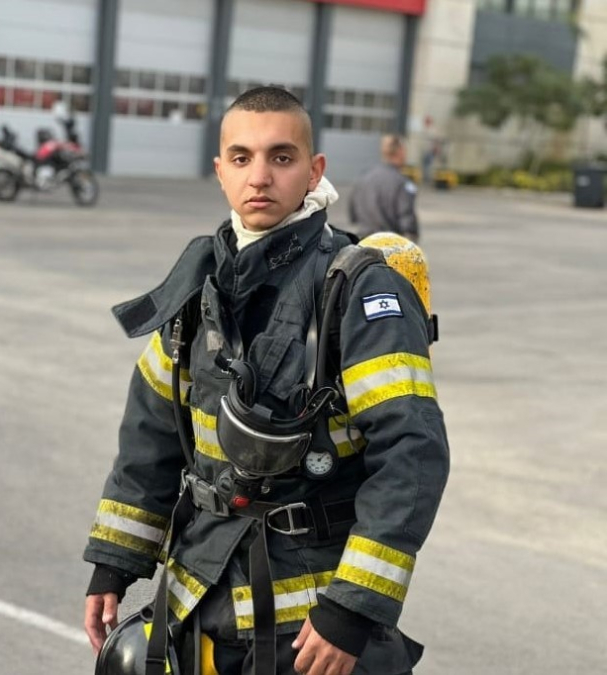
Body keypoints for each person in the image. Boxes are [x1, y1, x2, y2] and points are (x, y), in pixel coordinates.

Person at [83, 86, 450, 675]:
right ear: (220, 172)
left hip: (311, 630)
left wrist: (350, 610)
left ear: (314, 170)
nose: (259, 176)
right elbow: (149, 439)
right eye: (242, 158)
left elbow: (413, 453)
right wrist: (114, 564)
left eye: (281, 157)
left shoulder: (358, 289)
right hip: (199, 602)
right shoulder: (195, 288)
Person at [348, 135, 420, 242]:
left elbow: (353, 214)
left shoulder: (364, 177)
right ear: (400, 151)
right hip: (390, 244)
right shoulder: (402, 183)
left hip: (364, 242)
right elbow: (407, 220)